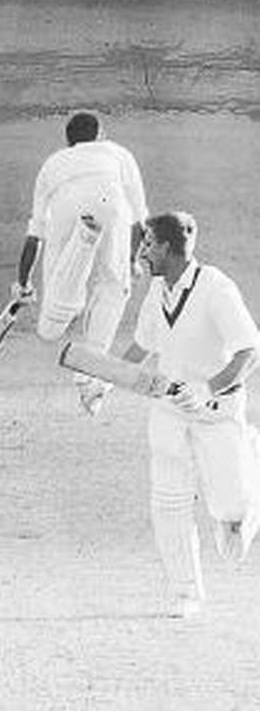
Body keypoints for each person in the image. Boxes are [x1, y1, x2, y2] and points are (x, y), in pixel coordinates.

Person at [117, 212, 260, 618]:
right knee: (169, 500)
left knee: (230, 506)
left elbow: (250, 350)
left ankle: (249, 475)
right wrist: (106, 380)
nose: (142, 251)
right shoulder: (156, 292)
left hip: (216, 412)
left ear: (165, 247)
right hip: (169, 410)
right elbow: (141, 348)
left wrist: (208, 388)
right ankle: (186, 592)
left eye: (147, 244)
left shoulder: (216, 288)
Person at [11, 111, 148, 415]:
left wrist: (23, 283)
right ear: (101, 136)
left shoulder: (53, 163)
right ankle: (88, 379)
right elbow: (140, 222)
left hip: (65, 209)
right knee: (114, 289)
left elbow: (35, 235)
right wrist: (131, 261)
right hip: (111, 206)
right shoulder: (118, 153)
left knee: (50, 328)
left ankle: (82, 249)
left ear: (68, 142)